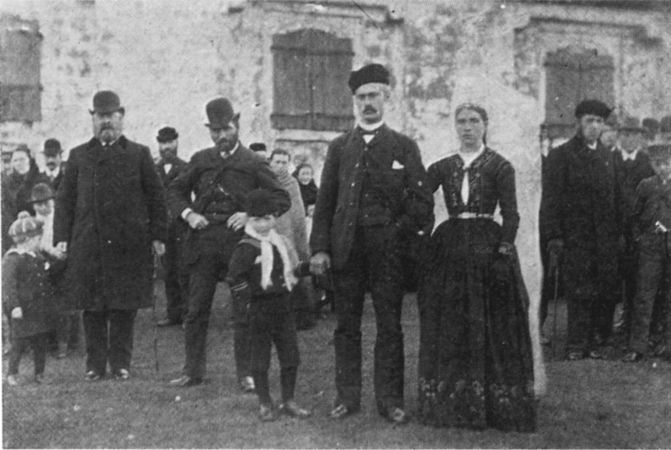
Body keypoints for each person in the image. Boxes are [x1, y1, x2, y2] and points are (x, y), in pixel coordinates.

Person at [310, 63, 434, 423]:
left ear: (386, 97)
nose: (367, 103)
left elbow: (422, 202)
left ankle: (390, 400)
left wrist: (396, 230)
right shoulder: (339, 148)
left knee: (390, 325)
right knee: (346, 326)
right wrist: (320, 248)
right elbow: (325, 202)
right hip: (347, 250)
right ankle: (346, 397)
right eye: (361, 97)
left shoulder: (403, 146)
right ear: (354, 101)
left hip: (388, 254)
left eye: (374, 96)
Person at [416, 103, 536, 432]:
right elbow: (418, 198)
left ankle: (494, 404)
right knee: (450, 320)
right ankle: (451, 401)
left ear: (485, 125)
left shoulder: (500, 166)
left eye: (474, 121)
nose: (467, 127)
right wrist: (423, 232)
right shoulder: (442, 166)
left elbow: (511, 214)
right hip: (451, 245)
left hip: (486, 244)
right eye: (462, 122)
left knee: (491, 322)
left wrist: (503, 250)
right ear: (455, 126)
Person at [167, 97, 290, 388]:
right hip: (204, 243)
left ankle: (246, 374)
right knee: (196, 310)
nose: (221, 135)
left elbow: (280, 197)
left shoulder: (253, 162)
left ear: (237, 125)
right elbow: (173, 191)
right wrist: (189, 214)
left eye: (226, 129)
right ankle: (192, 371)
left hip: (240, 246)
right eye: (215, 130)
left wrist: (250, 214)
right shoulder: (201, 159)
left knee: (243, 310)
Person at [53, 90, 168, 381]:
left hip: (128, 245)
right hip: (89, 244)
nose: (106, 122)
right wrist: (61, 237)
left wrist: (158, 235)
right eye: (100, 116)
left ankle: (120, 364)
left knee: (123, 307)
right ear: (93, 119)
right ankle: (94, 365)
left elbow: (156, 198)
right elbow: (65, 200)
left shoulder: (139, 154)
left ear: (121, 116)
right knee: (92, 307)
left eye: (110, 116)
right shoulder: (78, 155)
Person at [540, 99, 622, 360]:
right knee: (578, 290)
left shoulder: (609, 157)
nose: (595, 126)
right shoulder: (561, 155)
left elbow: (616, 198)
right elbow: (551, 200)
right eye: (589, 121)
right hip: (575, 237)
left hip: (604, 238)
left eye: (599, 121)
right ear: (578, 123)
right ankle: (576, 343)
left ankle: (597, 340)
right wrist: (554, 236)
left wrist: (619, 233)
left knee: (603, 288)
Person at [226, 189, 311, 421]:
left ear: (275, 218)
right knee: (260, 358)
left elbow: (294, 269)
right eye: (256, 219)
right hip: (259, 309)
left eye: (267, 218)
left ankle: (289, 400)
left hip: (283, 307)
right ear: (249, 220)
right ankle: (264, 402)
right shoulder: (246, 247)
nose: (263, 225)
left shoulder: (281, 242)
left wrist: (310, 268)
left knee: (290, 356)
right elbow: (234, 278)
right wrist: (246, 302)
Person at [623, 144, 671, 362]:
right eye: (658, 164)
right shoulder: (646, 185)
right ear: (652, 165)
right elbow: (634, 216)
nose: (663, 168)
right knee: (644, 296)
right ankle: (637, 346)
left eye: (667, 163)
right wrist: (639, 238)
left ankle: (667, 345)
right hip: (650, 248)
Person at [612, 117, 654, 339]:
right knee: (612, 277)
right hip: (614, 229)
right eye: (625, 134)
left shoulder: (647, 162)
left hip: (640, 230)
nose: (629, 139)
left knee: (638, 278)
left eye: (634, 135)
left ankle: (632, 323)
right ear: (619, 136)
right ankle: (608, 325)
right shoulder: (609, 159)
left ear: (640, 137)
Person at [3, 212, 53, 386]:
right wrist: (14, 306)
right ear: (28, 240)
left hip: (38, 307)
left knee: (40, 341)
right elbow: (8, 285)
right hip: (22, 309)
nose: (39, 243)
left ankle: (40, 373)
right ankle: (12, 373)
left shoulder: (37, 257)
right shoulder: (13, 259)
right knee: (18, 342)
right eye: (38, 239)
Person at [268, 149, 315, 330]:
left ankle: (301, 316)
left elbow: (297, 212)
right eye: (277, 162)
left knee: (294, 271)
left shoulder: (292, 183)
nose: (280, 166)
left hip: (289, 234)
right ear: (270, 162)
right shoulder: (263, 180)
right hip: (268, 232)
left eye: (284, 162)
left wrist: (294, 235)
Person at [30, 183, 77, 358]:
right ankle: (48, 341)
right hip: (41, 261)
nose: (42, 207)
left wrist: (55, 253)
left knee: (63, 305)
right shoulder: (34, 220)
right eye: (38, 204)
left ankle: (66, 343)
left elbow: (64, 243)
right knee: (43, 304)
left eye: (46, 203)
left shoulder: (59, 217)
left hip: (61, 262)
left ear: (53, 201)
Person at [154, 127, 189, 327]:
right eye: (163, 143)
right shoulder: (153, 170)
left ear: (176, 143)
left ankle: (187, 315)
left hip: (182, 227)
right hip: (163, 228)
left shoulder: (186, 168)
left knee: (184, 271)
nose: (166, 147)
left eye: (170, 142)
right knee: (167, 272)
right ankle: (173, 314)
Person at [1, 145, 49, 252]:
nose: (18, 163)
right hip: (15, 230)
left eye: (22, 159)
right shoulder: (7, 184)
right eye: (15, 160)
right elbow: (6, 209)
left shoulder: (40, 179)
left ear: (29, 160)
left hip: (38, 228)